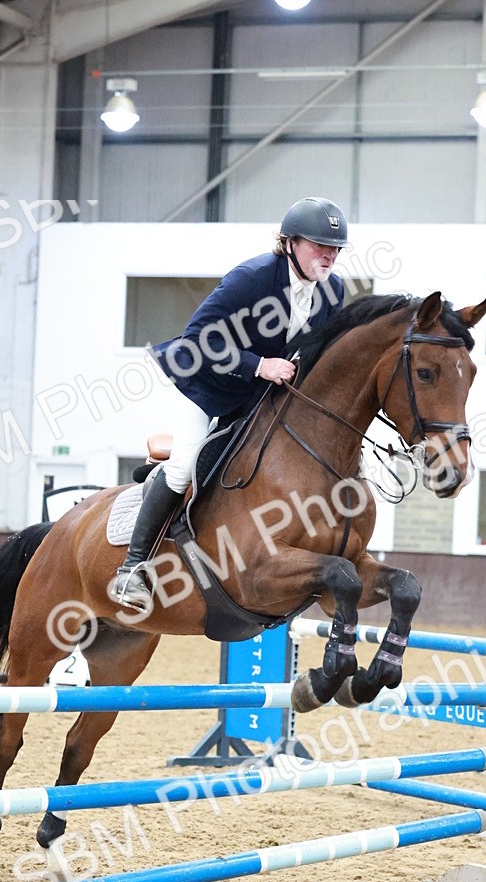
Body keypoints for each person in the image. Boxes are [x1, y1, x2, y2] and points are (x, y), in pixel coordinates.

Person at [109, 196, 348, 612]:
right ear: (289, 243)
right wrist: (258, 365)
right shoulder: (252, 278)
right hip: (211, 385)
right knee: (184, 465)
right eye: (319, 246)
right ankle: (132, 567)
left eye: (335, 249)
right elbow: (198, 339)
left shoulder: (333, 290)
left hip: (263, 397)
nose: (329, 256)